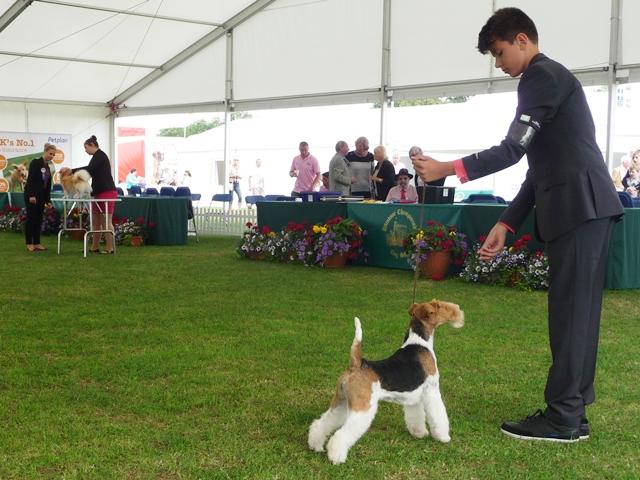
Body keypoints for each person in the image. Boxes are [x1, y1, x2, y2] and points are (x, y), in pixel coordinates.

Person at [411, 7, 623, 443]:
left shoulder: (540, 77)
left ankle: (564, 416)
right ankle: (573, 411)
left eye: (500, 51)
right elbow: (536, 167)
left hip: (580, 207)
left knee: (572, 316)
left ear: (522, 40)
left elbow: (511, 149)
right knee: (576, 314)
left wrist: (447, 168)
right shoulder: (550, 82)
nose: (499, 63)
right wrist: (507, 223)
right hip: (582, 207)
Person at [74, 135, 118, 254]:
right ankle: (95, 246)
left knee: (106, 221)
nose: (85, 150)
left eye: (86, 147)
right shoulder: (96, 157)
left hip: (107, 191)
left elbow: (89, 169)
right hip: (97, 192)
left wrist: (73, 171)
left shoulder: (100, 156)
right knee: (96, 220)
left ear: (92, 145)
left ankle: (110, 248)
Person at [23, 143, 55, 252]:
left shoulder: (48, 167)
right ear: (45, 151)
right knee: (31, 218)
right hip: (31, 195)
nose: (51, 156)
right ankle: (29, 243)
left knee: (39, 219)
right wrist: (31, 195)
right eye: (50, 153)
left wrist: (48, 200)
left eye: (53, 155)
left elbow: (47, 186)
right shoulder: (35, 162)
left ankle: (37, 243)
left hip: (41, 196)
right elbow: (30, 180)